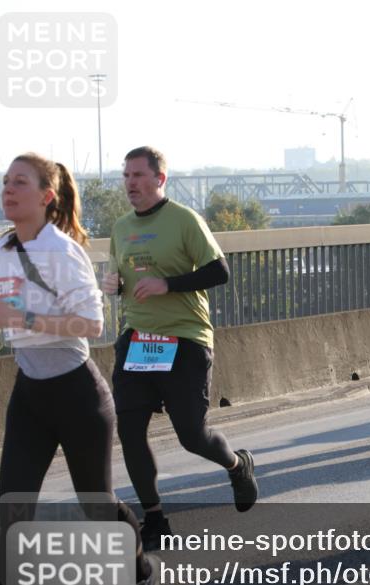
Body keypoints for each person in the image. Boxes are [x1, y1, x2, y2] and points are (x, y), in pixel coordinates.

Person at [0, 154, 160, 585]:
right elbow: (12, 310)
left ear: (46, 196)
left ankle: (139, 569)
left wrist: (22, 315)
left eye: (20, 183)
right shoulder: (5, 248)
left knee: (97, 508)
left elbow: (92, 324)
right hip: (29, 393)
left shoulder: (65, 251)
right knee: (13, 508)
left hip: (77, 394)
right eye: (5, 182)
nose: (8, 191)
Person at [103, 146, 257, 551]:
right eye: (126, 176)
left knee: (191, 435)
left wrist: (168, 284)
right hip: (138, 339)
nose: (130, 183)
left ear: (159, 179)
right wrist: (114, 285)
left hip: (185, 339)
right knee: (131, 430)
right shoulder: (120, 228)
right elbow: (122, 276)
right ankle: (154, 518)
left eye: (138, 175)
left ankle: (237, 465)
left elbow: (219, 270)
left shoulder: (185, 220)